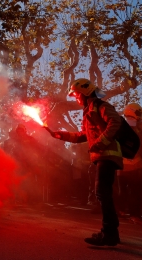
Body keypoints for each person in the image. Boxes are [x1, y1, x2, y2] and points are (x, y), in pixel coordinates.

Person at [47, 78, 122, 246]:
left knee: (102, 193)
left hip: (107, 155)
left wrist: (100, 143)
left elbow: (115, 122)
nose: (76, 99)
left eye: (77, 95)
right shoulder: (89, 111)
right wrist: (61, 135)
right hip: (102, 155)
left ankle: (109, 234)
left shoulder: (101, 106)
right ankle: (111, 232)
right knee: (104, 194)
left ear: (86, 93)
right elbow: (83, 135)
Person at [118, 103, 142, 226]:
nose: (140, 116)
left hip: (127, 165)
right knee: (135, 191)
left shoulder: (126, 125)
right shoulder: (129, 126)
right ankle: (134, 216)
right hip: (131, 165)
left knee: (130, 191)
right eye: (138, 113)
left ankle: (129, 213)